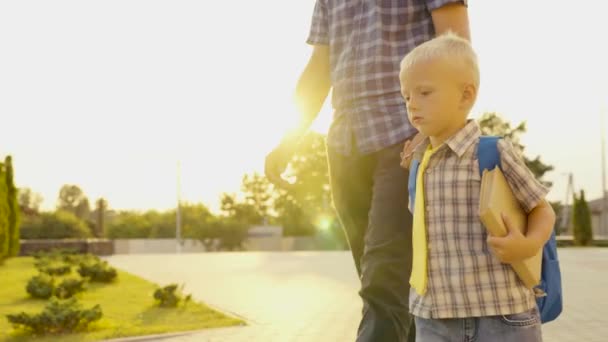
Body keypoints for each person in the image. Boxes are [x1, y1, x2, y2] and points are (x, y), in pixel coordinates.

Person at [265, 1, 470, 341]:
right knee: (386, 284)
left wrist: (433, 131)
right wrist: (288, 140)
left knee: (383, 279)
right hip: (345, 144)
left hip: (407, 140)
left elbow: (457, 46)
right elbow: (320, 66)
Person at [399, 32, 556, 342]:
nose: (412, 103)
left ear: (465, 95)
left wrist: (528, 244)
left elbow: (541, 209)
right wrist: (415, 166)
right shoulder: (418, 164)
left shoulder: (492, 153)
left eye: (425, 92)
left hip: (501, 313)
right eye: (406, 96)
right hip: (433, 316)